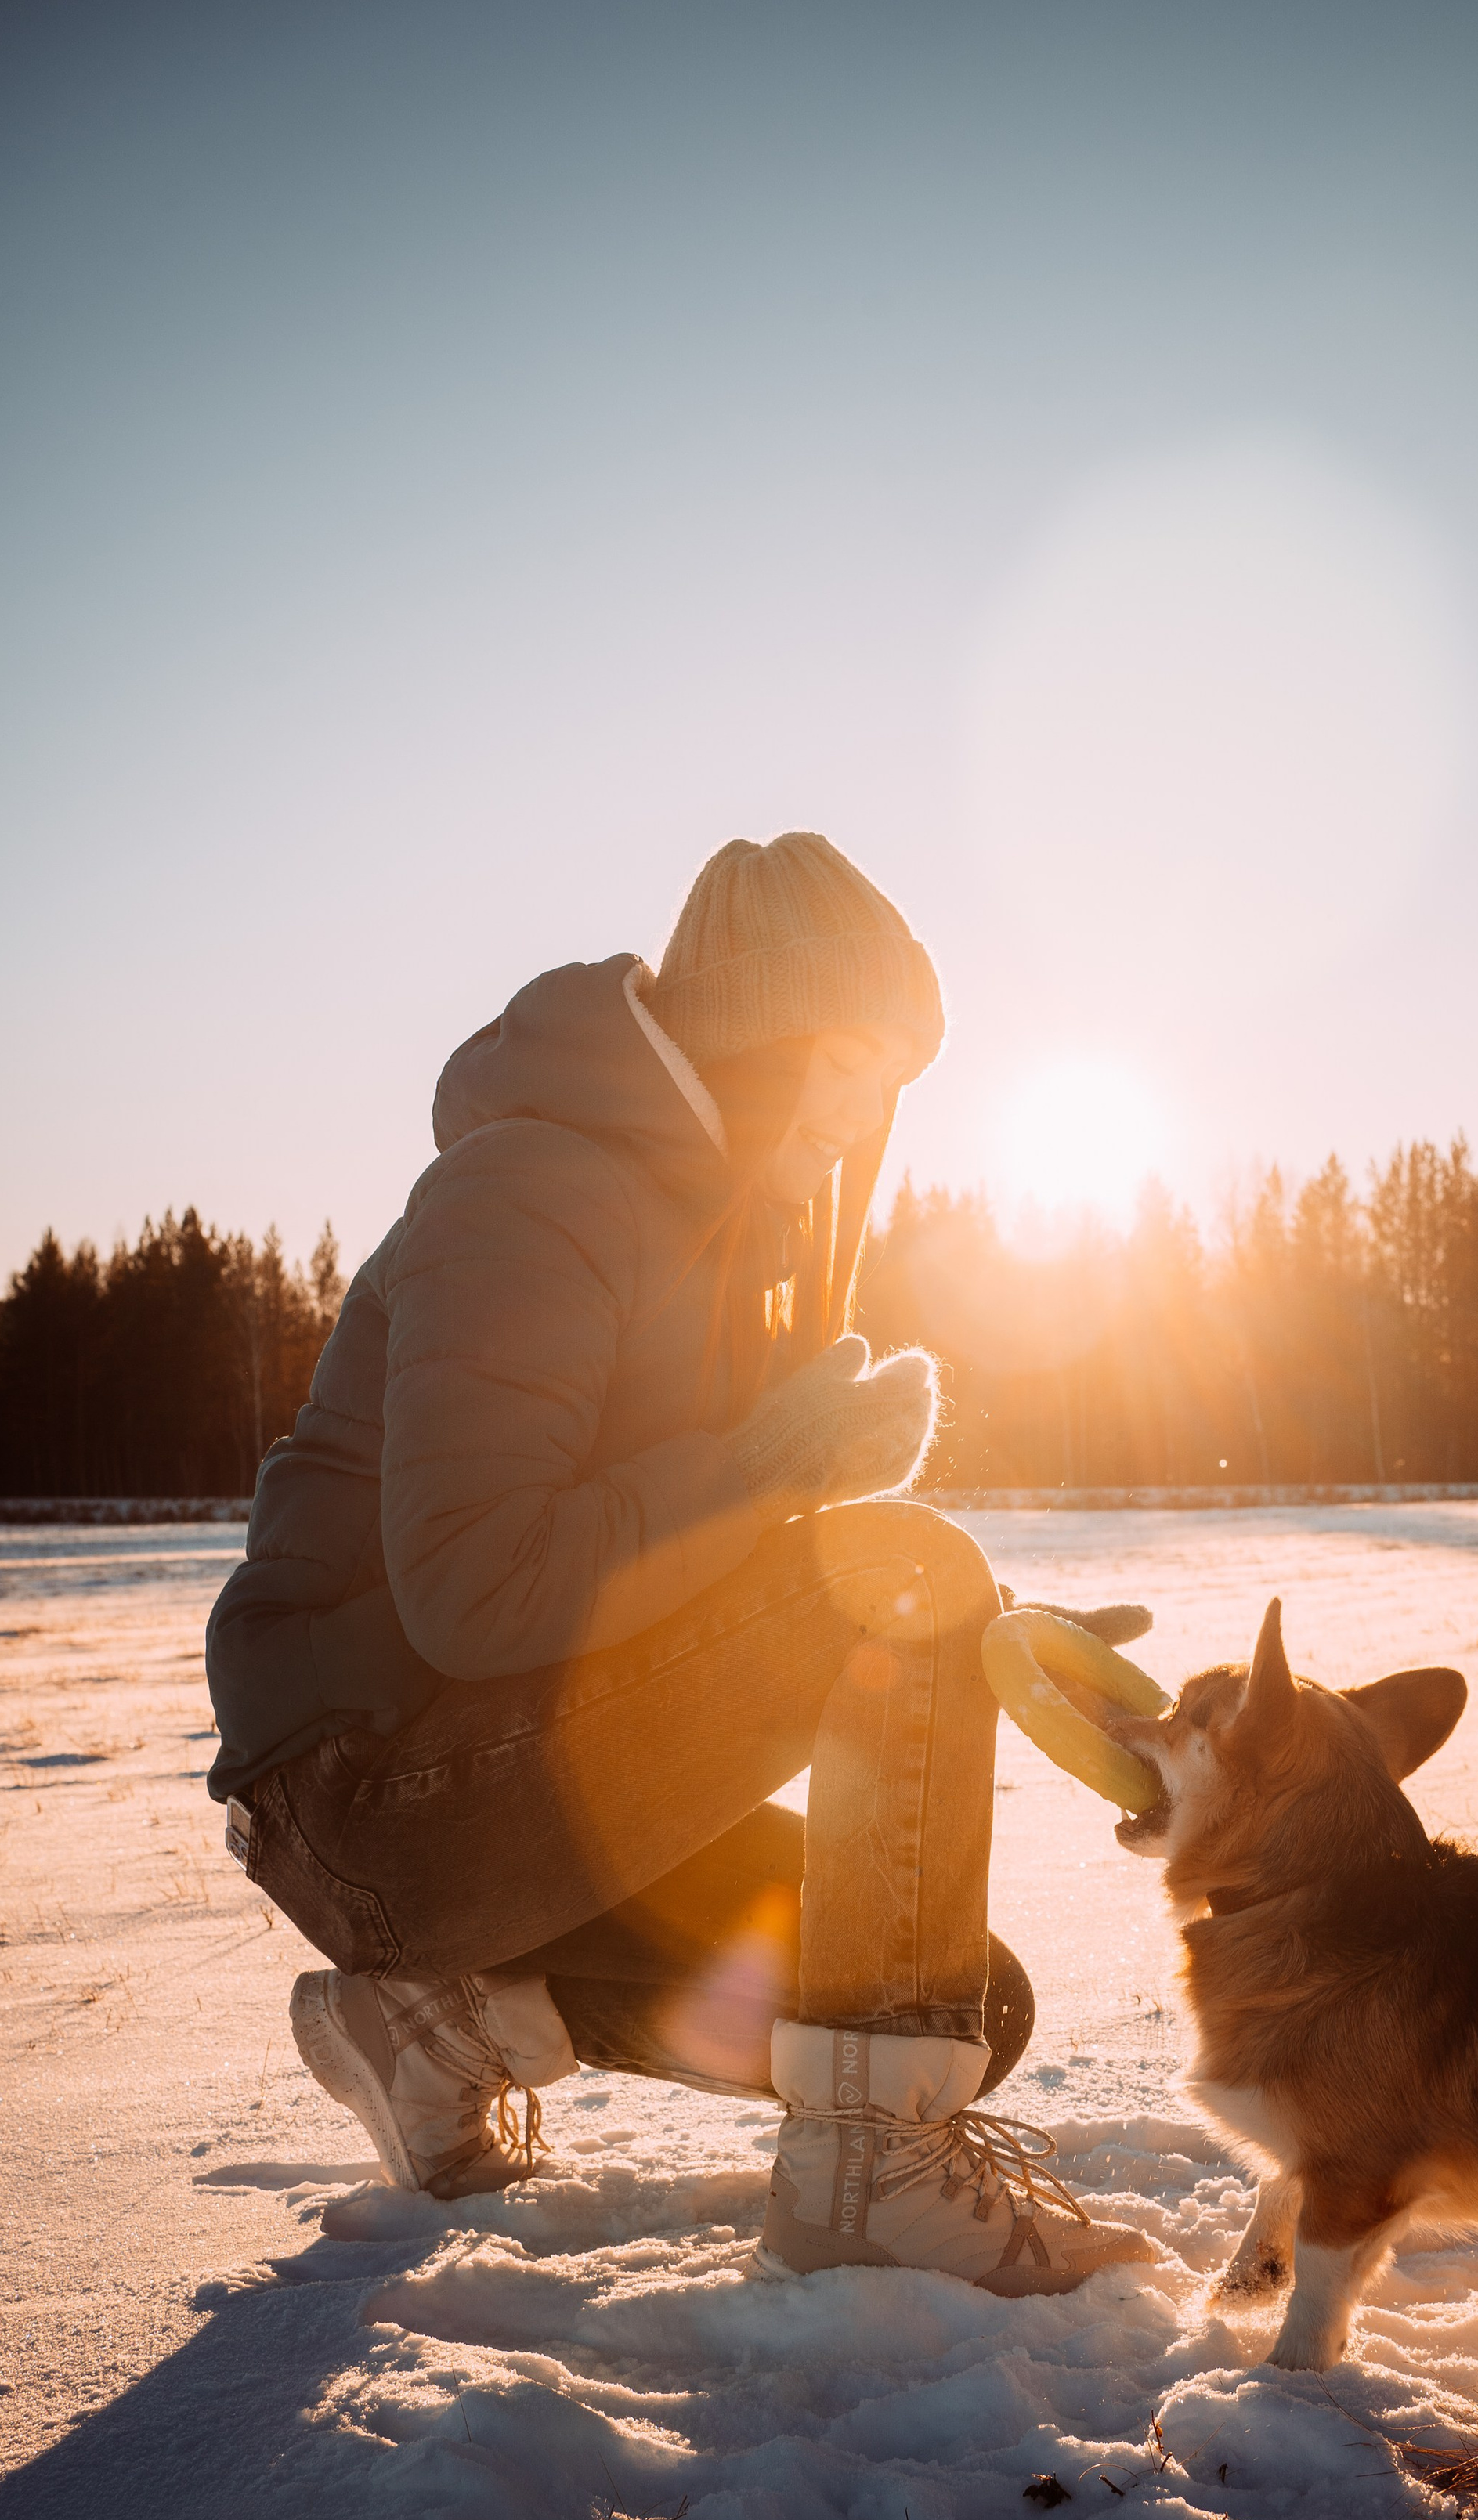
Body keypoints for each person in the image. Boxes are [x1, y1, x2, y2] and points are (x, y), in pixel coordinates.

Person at [204, 832, 1157, 2296]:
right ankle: (860, 2181)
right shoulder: (531, 1190)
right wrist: (804, 1491)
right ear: (745, 1031)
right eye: (839, 1058)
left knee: (960, 2005)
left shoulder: (732, 1249)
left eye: (892, 1073)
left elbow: (675, 1609)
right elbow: (481, 1587)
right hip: (366, 1782)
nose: (863, 1108)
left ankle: (437, 2026)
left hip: (506, 1761)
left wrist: (977, 1652)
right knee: (886, 2026)